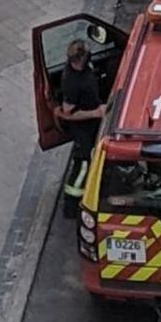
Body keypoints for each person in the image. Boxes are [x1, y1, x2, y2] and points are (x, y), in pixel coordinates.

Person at [60, 38, 105, 209]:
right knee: (83, 164)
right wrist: (95, 112)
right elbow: (68, 113)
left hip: (93, 123)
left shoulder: (85, 69)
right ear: (80, 58)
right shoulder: (71, 82)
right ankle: (71, 203)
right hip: (83, 128)